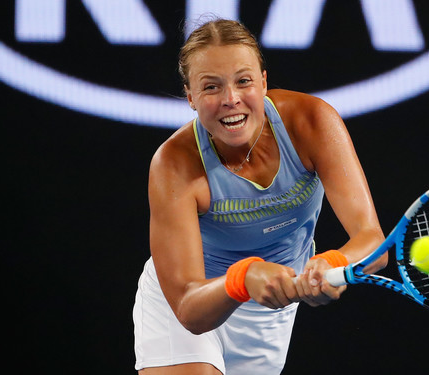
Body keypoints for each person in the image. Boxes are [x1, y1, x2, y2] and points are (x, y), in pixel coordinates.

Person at [133, 19, 387, 375]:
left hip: (269, 315)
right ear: (190, 97)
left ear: (264, 82)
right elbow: (189, 308)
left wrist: (332, 263)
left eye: (244, 81)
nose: (230, 99)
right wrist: (243, 276)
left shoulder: (312, 121)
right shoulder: (173, 164)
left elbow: (373, 242)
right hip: (193, 301)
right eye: (211, 87)